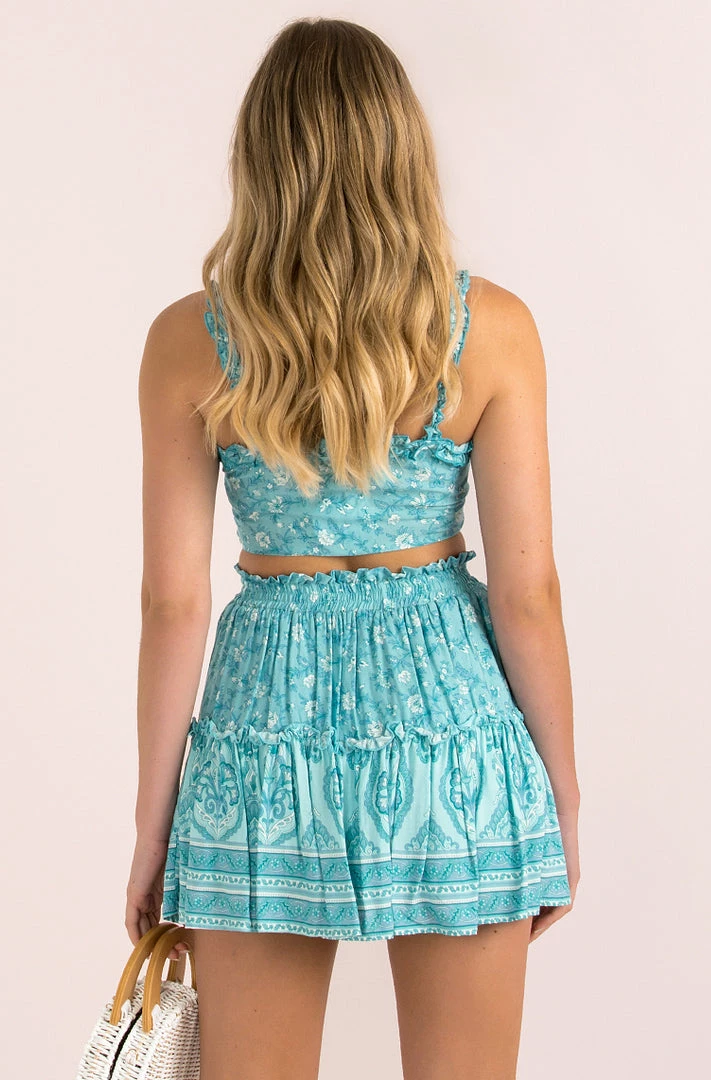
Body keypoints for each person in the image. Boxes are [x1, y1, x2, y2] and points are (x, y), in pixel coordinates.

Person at [125, 15, 580, 1080]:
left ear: (259, 160)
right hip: (450, 728)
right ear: (402, 150)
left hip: (261, 732)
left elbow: (172, 604)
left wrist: (152, 828)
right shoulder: (492, 329)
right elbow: (528, 594)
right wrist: (558, 792)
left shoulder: (189, 340)